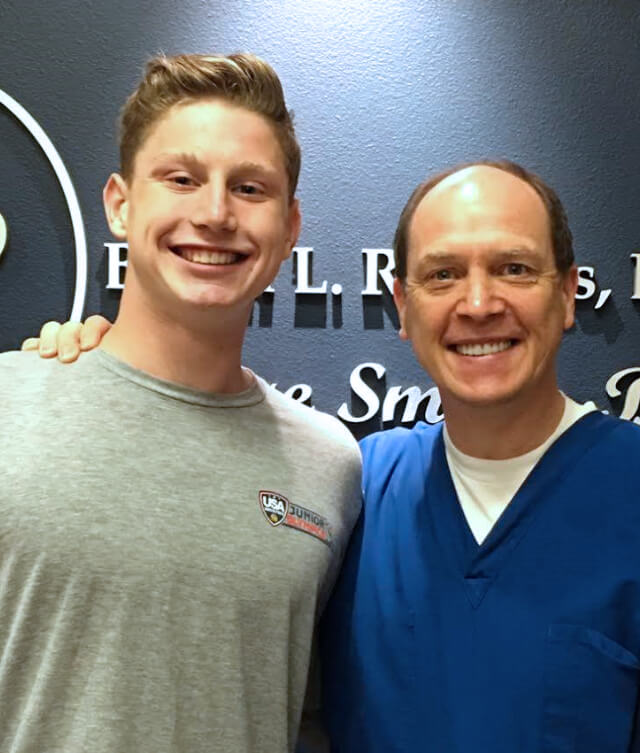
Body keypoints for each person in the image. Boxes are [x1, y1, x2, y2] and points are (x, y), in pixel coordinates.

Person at [23, 160, 640, 751]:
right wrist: (101, 365)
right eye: (443, 274)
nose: (478, 305)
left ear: (566, 293)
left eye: (513, 268)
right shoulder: (357, 485)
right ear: (402, 304)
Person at [3, 53, 361, 753]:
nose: (216, 212)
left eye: (249, 188)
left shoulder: (330, 465)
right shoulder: (9, 403)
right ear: (120, 203)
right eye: (182, 178)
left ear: (289, 230)